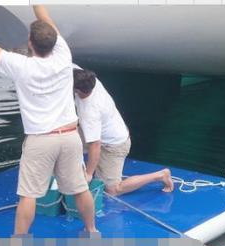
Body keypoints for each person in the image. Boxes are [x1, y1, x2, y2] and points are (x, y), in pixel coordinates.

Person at [0, 6, 97, 234]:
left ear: (30, 44)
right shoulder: (64, 55)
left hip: (41, 140)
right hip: (70, 136)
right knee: (80, 189)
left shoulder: (21, 65)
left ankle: (17, 244)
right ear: (54, 42)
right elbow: (45, 18)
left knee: (28, 195)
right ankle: (92, 231)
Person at [73, 67, 174, 196]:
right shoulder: (89, 79)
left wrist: (88, 173)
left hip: (113, 146)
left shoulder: (90, 111)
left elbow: (95, 145)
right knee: (64, 138)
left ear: (77, 90)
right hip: (103, 132)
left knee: (113, 190)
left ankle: (161, 175)